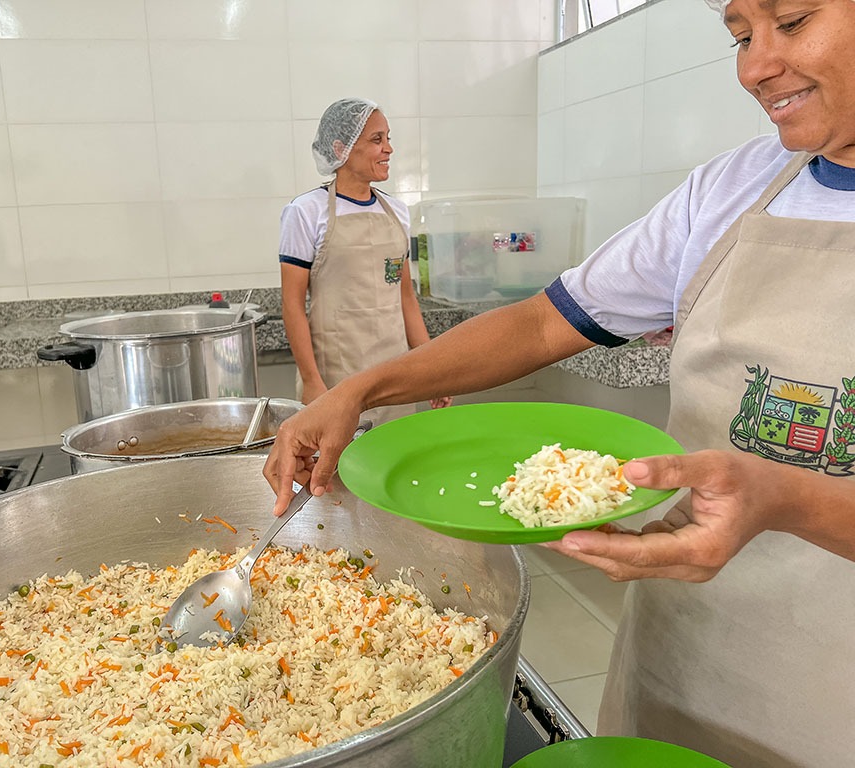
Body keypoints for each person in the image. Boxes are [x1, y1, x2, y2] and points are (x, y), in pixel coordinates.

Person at [264, 0, 855, 765]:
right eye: (740, 36)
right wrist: (361, 390)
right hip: (684, 648)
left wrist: (789, 498)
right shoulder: (730, 190)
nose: (755, 67)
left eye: (794, 20)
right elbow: (544, 323)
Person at [278, 97, 451, 423]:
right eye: (376, 139)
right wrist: (312, 380)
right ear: (341, 148)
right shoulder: (305, 212)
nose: (389, 149)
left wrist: (432, 371)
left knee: (395, 453)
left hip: (395, 380)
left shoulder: (397, 212)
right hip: (335, 381)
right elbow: (292, 304)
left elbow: (406, 300)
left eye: (388, 138)